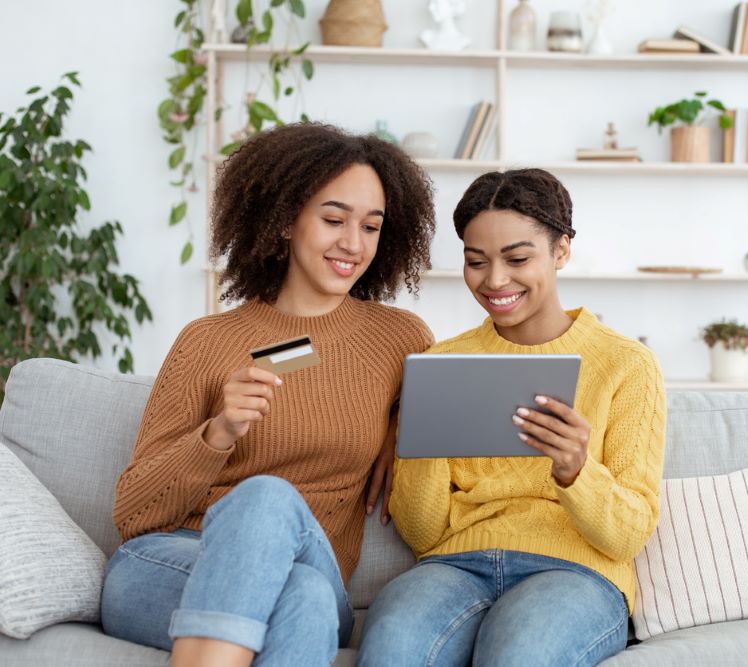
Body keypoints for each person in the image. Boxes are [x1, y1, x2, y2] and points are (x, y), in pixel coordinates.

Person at [100, 122, 436, 667]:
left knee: (301, 574)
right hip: (169, 568)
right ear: (283, 222)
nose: (353, 244)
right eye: (333, 220)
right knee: (274, 522)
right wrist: (217, 434)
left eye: (371, 226)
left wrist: (403, 420)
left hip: (318, 571)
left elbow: (443, 407)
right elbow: (134, 513)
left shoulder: (401, 340)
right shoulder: (207, 342)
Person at [358, 168, 666, 666]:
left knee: (518, 654)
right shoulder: (440, 363)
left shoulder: (625, 365)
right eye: (476, 261)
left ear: (561, 250)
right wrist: (426, 437)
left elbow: (627, 535)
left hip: (573, 572)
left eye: (518, 258)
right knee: (392, 647)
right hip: (453, 565)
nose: (495, 280)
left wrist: (576, 471)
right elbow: (421, 532)